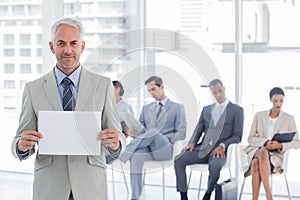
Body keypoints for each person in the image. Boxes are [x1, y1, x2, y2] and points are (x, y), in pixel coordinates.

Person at [11, 18, 126, 200]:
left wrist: (116, 142)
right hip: (50, 185)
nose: (67, 50)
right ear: (51, 47)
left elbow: (117, 135)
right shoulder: (33, 89)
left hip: (90, 185)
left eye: (73, 43)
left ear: (82, 46)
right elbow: (19, 138)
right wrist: (21, 146)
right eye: (61, 43)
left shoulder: (103, 86)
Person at [174, 79, 244, 200]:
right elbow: (198, 130)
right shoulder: (206, 110)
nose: (218, 95)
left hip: (219, 152)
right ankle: (183, 196)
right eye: (215, 92)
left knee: (215, 167)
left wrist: (223, 145)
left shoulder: (237, 110)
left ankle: (208, 194)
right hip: (202, 149)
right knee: (178, 159)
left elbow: (237, 136)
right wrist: (192, 143)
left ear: (224, 88)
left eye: (220, 91)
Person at [120, 75, 187, 200]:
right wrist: (135, 133)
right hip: (147, 148)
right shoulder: (146, 109)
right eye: (149, 91)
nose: (151, 93)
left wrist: (162, 137)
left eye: (153, 89)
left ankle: (125, 150)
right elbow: (142, 130)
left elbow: (181, 133)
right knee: (136, 155)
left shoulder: (178, 108)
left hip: (165, 148)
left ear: (162, 87)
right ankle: (135, 197)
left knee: (155, 132)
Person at [244, 87, 300, 200]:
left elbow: (297, 142)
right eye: (275, 101)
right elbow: (250, 138)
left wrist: (280, 145)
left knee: (255, 164)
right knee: (263, 152)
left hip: (275, 156)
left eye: (281, 101)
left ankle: (254, 199)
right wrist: (265, 142)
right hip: (256, 151)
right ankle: (269, 196)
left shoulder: (289, 119)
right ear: (270, 100)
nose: (278, 103)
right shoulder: (259, 116)